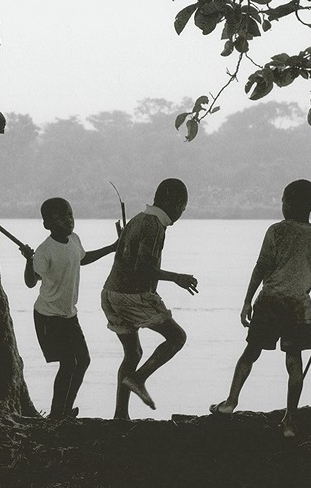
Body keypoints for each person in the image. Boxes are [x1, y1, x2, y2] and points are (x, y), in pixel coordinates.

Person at [210, 179, 311, 438]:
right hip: (299, 306)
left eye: (283, 200)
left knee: (251, 352)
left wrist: (246, 300)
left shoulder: (276, 231)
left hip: (270, 301)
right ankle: (289, 420)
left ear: (287, 203)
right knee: (294, 362)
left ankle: (230, 401)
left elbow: (261, 267)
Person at [101, 178, 198, 420]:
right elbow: (142, 268)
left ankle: (120, 415)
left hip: (110, 293)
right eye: (181, 208)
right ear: (172, 203)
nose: (179, 215)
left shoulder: (138, 219)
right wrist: (177, 277)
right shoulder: (154, 224)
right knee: (177, 337)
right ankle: (138, 378)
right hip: (132, 295)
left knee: (132, 353)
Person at [22, 197, 117, 420]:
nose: (68, 221)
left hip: (68, 315)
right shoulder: (45, 251)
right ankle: (57, 415)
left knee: (83, 360)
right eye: (61, 217)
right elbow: (30, 281)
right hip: (48, 316)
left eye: (70, 215)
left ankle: (65, 409)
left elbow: (82, 258)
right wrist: (28, 259)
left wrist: (112, 248)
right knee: (68, 363)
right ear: (47, 224)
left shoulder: (74, 239)